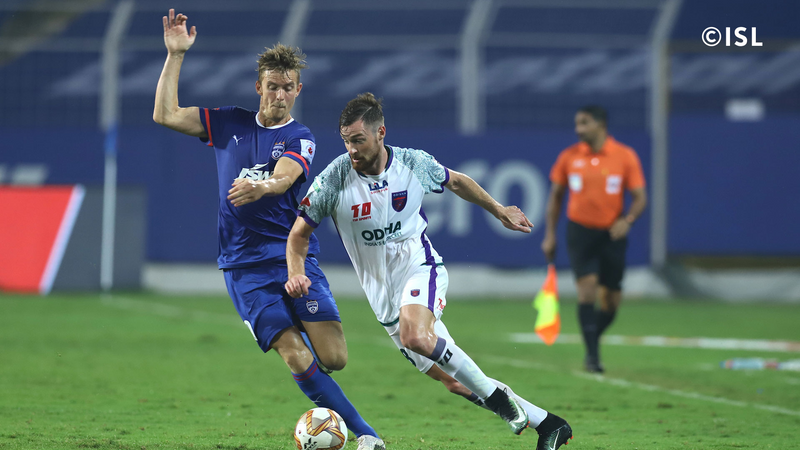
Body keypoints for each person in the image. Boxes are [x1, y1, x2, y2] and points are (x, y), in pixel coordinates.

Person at [284, 93, 573, 450]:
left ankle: (499, 401)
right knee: (455, 381)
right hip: (383, 298)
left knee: (416, 336)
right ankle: (550, 425)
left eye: (358, 140)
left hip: (419, 268)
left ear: (380, 133)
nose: (352, 149)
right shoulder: (334, 179)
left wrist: (498, 210)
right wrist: (295, 272)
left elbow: (456, 181)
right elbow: (298, 236)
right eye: (346, 141)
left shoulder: (412, 163)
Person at [152, 10, 384, 450]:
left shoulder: (301, 137)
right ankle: (368, 436)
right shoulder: (228, 123)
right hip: (244, 268)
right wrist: (175, 54)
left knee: (334, 357)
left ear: (298, 91)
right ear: (259, 87)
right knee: (293, 353)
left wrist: (261, 187)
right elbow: (165, 114)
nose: (280, 94)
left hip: (293, 258)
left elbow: (284, 177)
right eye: (272, 86)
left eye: (288, 87)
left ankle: (315, 375)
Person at [541, 105, 648, 373]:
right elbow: (555, 197)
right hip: (580, 232)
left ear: (601, 125)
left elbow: (640, 197)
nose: (578, 129)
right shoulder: (569, 157)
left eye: (584, 123)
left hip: (612, 233)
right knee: (587, 288)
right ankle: (592, 357)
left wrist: (628, 221)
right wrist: (550, 235)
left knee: (611, 300)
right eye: (577, 123)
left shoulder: (624, 156)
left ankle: (591, 337)